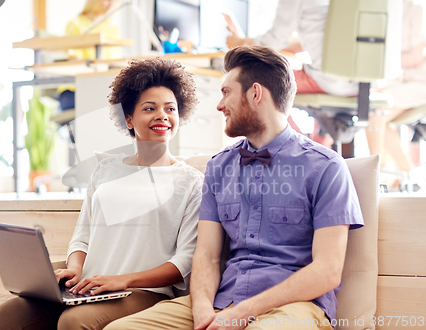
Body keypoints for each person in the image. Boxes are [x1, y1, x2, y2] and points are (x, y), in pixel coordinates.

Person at [104, 46, 364, 330]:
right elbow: (207, 255)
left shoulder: (326, 167)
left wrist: (243, 313)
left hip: (295, 308)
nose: (219, 105)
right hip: (221, 300)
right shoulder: (219, 167)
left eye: (226, 92)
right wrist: (202, 309)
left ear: (255, 94)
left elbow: (326, 272)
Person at [0, 57, 203, 330]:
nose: (162, 115)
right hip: (91, 287)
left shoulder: (192, 182)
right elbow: (82, 238)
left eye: (170, 108)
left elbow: (184, 261)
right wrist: (75, 270)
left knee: (74, 322)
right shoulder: (105, 171)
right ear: (129, 119)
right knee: (8, 315)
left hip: (144, 293)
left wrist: (124, 280)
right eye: (150, 108)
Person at [227, 0, 360, 148]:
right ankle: (316, 147)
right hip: (363, 84)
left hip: (329, 81)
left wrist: (240, 42)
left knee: (259, 82)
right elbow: (324, 36)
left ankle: (299, 148)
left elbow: (275, 39)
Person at [365, 0, 426, 174]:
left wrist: (382, 62)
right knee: (372, 111)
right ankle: (405, 173)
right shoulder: (387, 9)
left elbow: (416, 57)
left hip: (421, 82)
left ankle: (375, 174)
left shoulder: (416, 10)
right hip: (403, 81)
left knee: (375, 112)